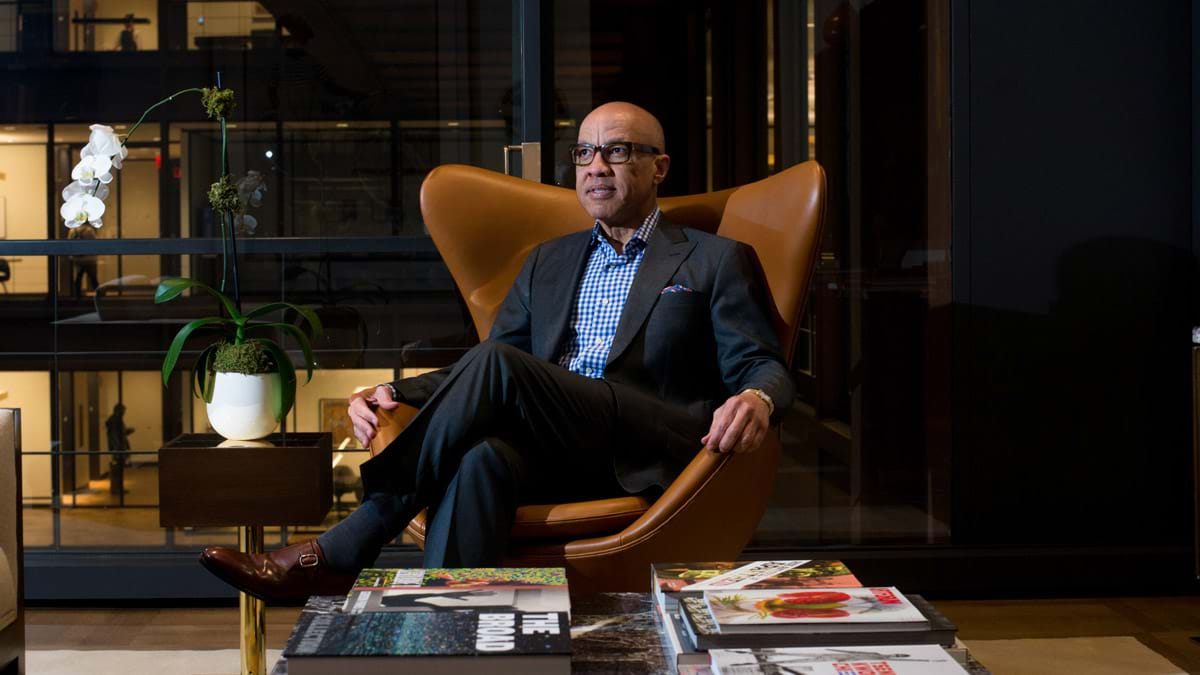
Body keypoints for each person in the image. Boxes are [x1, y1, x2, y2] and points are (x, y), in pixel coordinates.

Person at [199, 102, 793, 602]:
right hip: (554, 442)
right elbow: (486, 366)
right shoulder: (548, 261)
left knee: (499, 367)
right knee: (480, 457)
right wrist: (393, 393)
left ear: (659, 167)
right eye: (584, 153)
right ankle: (453, 631)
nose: (596, 167)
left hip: (647, 442)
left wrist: (757, 395)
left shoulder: (714, 259)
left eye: (618, 151)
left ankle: (350, 541)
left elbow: (761, 361)